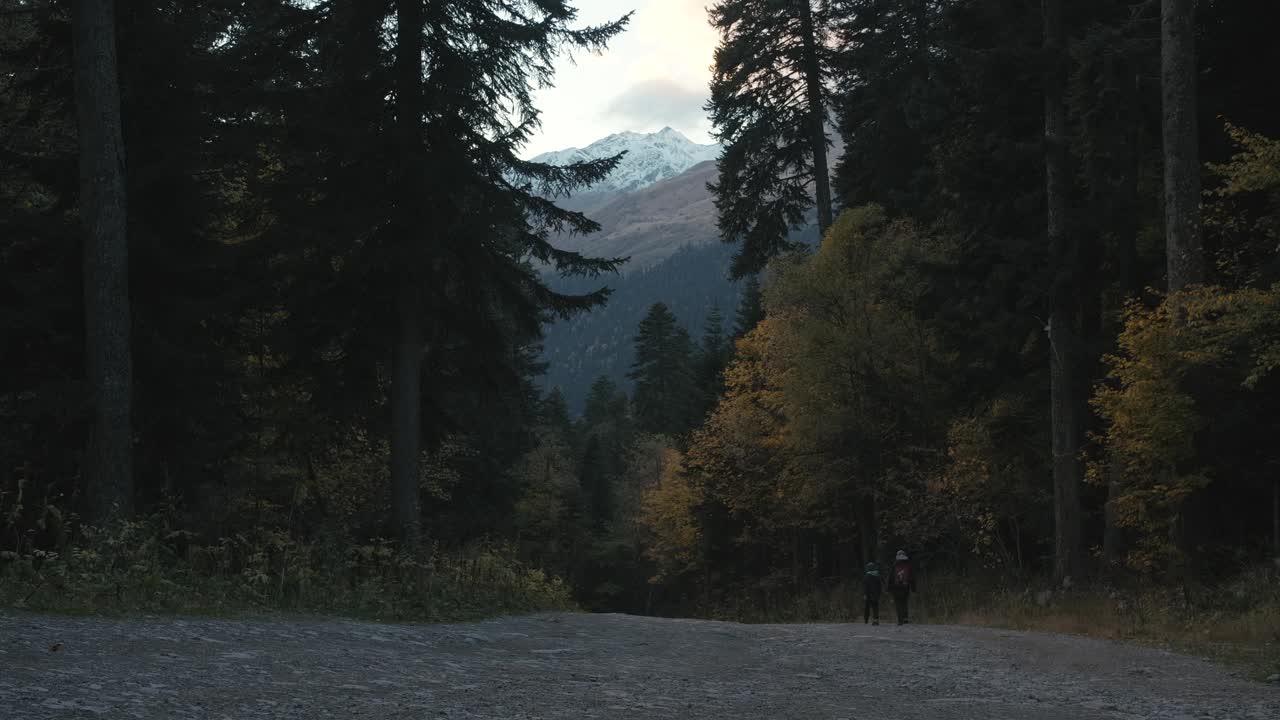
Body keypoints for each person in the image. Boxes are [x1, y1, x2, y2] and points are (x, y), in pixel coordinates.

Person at [888, 549, 916, 625]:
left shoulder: (894, 565)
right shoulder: (908, 565)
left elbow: (890, 578)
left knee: (898, 603)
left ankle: (900, 620)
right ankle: (905, 618)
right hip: (905, 587)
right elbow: (912, 578)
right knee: (904, 602)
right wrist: (913, 589)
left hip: (896, 587)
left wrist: (889, 589)